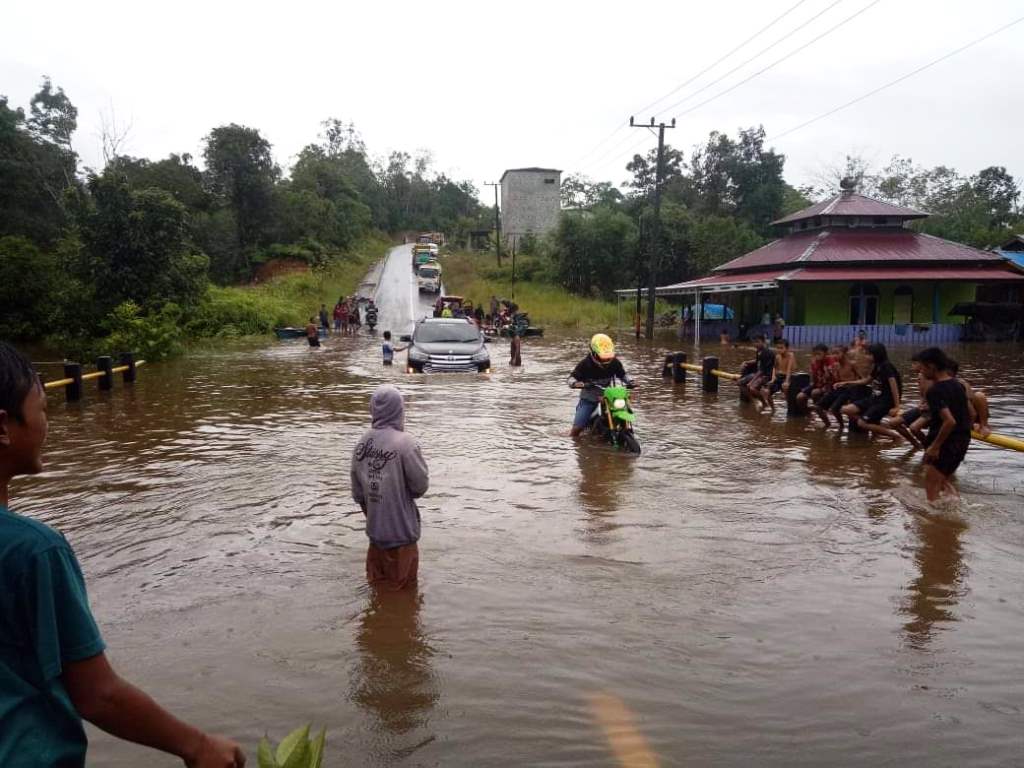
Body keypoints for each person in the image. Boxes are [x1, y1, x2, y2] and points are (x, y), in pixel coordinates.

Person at [0, 342, 246, 768]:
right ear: (4, 427)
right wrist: (198, 746)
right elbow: (98, 695)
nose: (47, 423)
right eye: (41, 409)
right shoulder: (33, 551)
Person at [351, 385, 429, 590]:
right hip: (402, 539)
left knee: (377, 594)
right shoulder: (406, 444)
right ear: (399, 410)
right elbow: (420, 487)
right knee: (405, 600)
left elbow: (358, 494)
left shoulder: (361, 444)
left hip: (375, 538)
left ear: (373, 410)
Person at [916, 347, 971, 501]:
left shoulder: (935, 391)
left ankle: (934, 522)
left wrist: (935, 446)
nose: (921, 371)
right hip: (962, 440)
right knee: (940, 478)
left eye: (922, 367)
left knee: (931, 484)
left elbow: (949, 421)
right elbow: (969, 413)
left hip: (946, 442)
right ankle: (953, 507)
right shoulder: (958, 385)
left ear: (931, 367)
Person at [568, 334, 634, 438]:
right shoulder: (585, 364)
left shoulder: (615, 362)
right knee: (576, 430)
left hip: (609, 397)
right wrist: (575, 383)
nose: (606, 360)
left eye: (608, 357)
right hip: (589, 398)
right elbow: (571, 378)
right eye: (603, 357)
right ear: (594, 353)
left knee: (624, 409)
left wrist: (630, 381)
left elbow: (623, 375)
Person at [841, 342, 903, 440]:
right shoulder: (877, 366)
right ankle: (876, 425)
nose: (866, 357)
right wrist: (847, 383)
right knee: (846, 409)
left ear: (876, 355)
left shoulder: (886, 366)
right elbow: (866, 380)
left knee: (861, 423)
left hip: (885, 401)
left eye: (869, 354)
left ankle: (896, 436)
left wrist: (897, 406)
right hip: (875, 398)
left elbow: (894, 385)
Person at [815, 345, 860, 429]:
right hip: (840, 389)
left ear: (844, 353)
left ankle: (842, 426)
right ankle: (828, 425)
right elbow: (837, 380)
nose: (835, 356)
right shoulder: (836, 366)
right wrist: (830, 374)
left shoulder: (852, 364)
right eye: (833, 353)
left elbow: (861, 379)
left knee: (834, 409)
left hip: (850, 389)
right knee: (818, 407)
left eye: (837, 353)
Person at [797, 343, 834, 418]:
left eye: (819, 354)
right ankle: (809, 414)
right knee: (800, 397)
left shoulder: (830, 361)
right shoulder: (814, 363)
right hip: (817, 384)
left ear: (826, 354)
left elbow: (833, 378)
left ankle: (820, 411)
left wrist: (828, 372)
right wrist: (812, 372)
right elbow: (813, 379)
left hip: (829, 385)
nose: (817, 356)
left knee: (815, 393)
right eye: (815, 354)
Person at [745, 336, 777, 411]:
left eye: (758, 342)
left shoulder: (767, 353)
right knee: (744, 384)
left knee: (752, 388)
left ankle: (764, 403)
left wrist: (751, 381)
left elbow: (762, 370)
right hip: (761, 374)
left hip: (767, 375)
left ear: (763, 342)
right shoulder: (759, 351)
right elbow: (757, 361)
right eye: (755, 342)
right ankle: (762, 403)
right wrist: (746, 362)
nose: (756, 344)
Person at [765, 338, 796, 413]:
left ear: (787, 348)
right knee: (766, 391)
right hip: (779, 377)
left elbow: (789, 369)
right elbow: (774, 368)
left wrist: (786, 381)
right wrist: (772, 379)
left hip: (789, 376)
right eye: (778, 348)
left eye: (781, 348)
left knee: (785, 388)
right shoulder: (777, 356)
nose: (779, 350)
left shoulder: (791, 355)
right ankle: (773, 409)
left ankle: (790, 408)